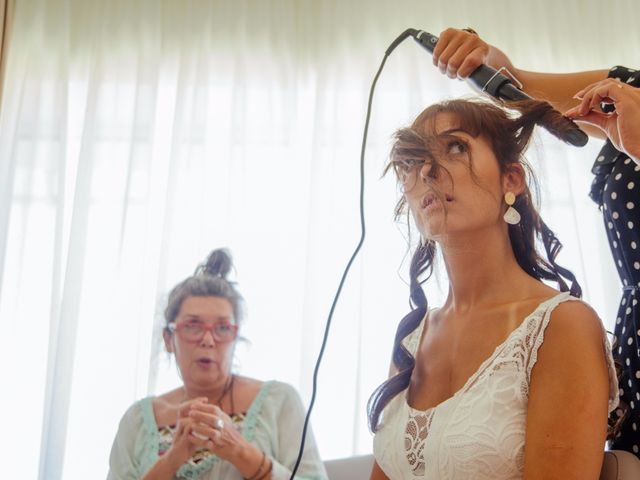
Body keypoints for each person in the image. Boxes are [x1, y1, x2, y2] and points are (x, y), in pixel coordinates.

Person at [368, 98, 619, 479]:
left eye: (455, 147)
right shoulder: (410, 338)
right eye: (411, 159)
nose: (427, 171)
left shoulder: (561, 327)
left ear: (511, 179)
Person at [429, 27, 640, 458]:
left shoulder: (564, 327)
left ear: (513, 181)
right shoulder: (633, 90)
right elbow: (519, 89)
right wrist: (484, 57)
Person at [107, 249, 327, 480]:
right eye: (193, 326)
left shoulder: (279, 401)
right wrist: (172, 459)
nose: (208, 340)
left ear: (235, 338)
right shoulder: (137, 421)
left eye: (222, 328)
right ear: (168, 339)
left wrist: (239, 450)